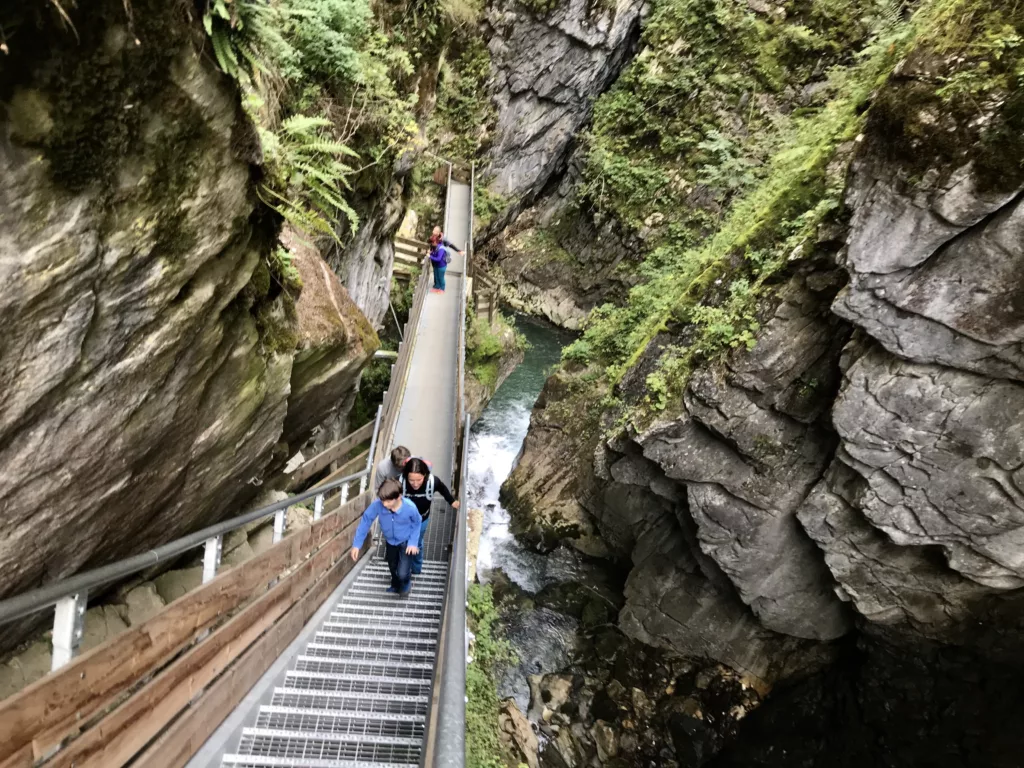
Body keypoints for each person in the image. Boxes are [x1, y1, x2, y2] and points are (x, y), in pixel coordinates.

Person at [350, 478, 421, 596]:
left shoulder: (410, 507)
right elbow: (366, 520)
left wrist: (413, 542)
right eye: (382, 500)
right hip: (390, 541)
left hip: (405, 542)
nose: (384, 504)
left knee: (402, 572)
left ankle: (406, 582)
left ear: (398, 497)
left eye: (388, 501)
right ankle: (395, 584)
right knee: (392, 566)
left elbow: (417, 522)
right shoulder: (379, 504)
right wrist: (357, 544)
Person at [401, 457, 459, 575]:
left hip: (422, 520)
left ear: (425, 475)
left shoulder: (432, 482)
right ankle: (403, 566)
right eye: (411, 480)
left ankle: (416, 568)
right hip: (404, 521)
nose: (415, 484)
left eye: (419, 479)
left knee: (416, 543)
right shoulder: (400, 482)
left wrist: (451, 501)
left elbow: (442, 488)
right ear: (406, 476)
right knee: (403, 542)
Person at [428, 226, 463, 294]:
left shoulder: (441, 245)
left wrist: (458, 250)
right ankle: (437, 287)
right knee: (436, 275)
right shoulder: (433, 240)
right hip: (435, 263)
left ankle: (442, 289)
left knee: (440, 276)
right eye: (433, 230)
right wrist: (430, 252)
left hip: (441, 263)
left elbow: (450, 245)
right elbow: (432, 247)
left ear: (438, 233)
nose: (433, 232)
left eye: (435, 231)